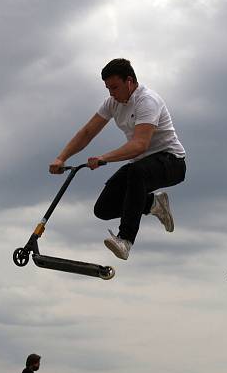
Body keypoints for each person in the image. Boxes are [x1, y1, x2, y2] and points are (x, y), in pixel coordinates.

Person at [49, 58, 186, 260]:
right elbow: (87, 132)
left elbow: (140, 145)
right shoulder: (112, 103)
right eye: (107, 88)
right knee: (104, 208)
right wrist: (61, 158)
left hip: (171, 162)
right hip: (141, 166)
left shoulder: (147, 101)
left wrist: (104, 158)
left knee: (137, 171)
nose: (111, 93)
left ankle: (125, 240)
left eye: (114, 87)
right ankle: (154, 204)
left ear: (129, 81)